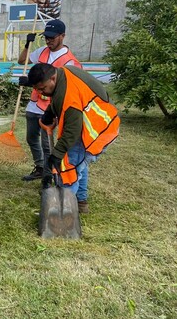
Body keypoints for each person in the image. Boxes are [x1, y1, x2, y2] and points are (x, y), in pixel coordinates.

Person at [27, 63, 120, 212]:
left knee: (69, 169)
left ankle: (64, 213)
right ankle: (81, 202)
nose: (40, 92)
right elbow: (58, 96)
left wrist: (57, 154)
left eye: (43, 88)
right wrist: (50, 111)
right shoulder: (64, 72)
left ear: (52, 78)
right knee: (79, 165)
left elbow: (72, 131)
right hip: (99, 123)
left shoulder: (69, 97)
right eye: (37, 89)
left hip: (93, 131)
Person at [18, 19, 82, 187]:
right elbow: (21, 61)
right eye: (46, 37)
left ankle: (48, 178)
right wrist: (27, 44)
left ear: (62, 36)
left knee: (48, 146)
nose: (48, 40)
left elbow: (69, 89)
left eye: (52, 37)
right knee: (31, 138)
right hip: (34, 104)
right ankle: (40, 167)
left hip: (51, 108)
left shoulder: (69, 61)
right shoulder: (41, 51)